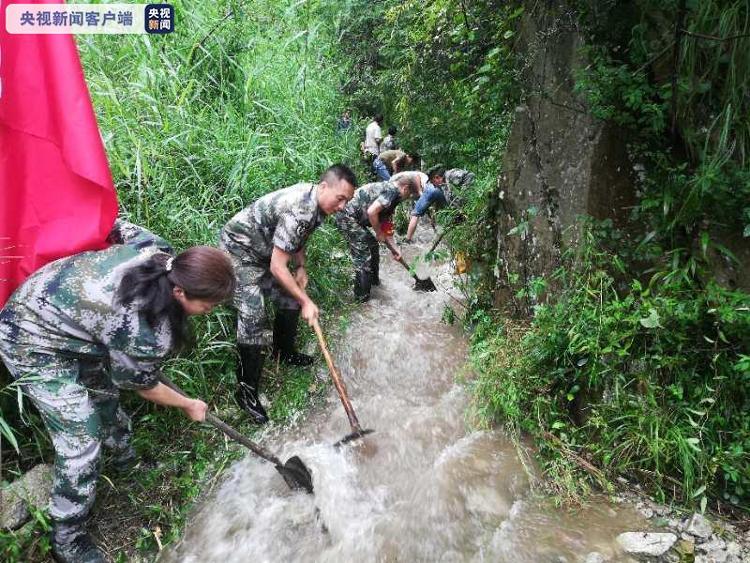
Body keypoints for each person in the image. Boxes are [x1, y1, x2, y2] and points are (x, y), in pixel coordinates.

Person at [0, 245, 235, 563]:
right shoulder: (142, 330)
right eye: (207, 306)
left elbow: (119, 228)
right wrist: (189, 404)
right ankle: (67, 537)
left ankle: (126, 460)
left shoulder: (161, 254)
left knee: (104, 395)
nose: (210, 311)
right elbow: (144, 386)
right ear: (179, 291)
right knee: (81, 435)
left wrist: (143, 364)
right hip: (30, 336)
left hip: (76, 326)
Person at [220, 164, 357, 424]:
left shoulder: (317, 202)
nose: (342, 206)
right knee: (253, 317)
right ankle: (246, 392)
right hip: (239, 251)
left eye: (347, 201)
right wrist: (307, 301)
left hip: (267, 251)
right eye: (340, 198)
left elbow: (297, 238)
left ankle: (283, 352)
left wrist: (301, 266)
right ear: (324, 186)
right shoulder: (301, 208)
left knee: (290, 299)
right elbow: (276, 266)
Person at [335, 175, 419, 302]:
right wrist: (378, 232)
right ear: (405, 188)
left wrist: (396, 250)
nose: (407, 199)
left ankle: (375, 284)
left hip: (354, 219)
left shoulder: (393, 196)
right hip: (346, 216)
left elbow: (386, 225)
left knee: (373, 245)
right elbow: (372, 212)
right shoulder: (392, 191)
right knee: (364, 257)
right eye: (409, 195)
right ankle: (362, 300)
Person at [405, 165, 475, 243]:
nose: (434, 185)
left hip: (470, 206)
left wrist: (464, 194)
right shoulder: (444, 185)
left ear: (437, 177)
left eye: (433, 182)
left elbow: (470, 175)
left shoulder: (450, 174)